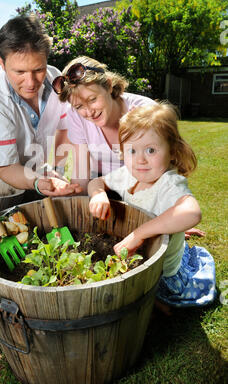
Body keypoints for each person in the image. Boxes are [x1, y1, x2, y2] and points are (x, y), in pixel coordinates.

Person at [88, 102, 216, 313]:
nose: (140, 159)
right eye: (131, 150)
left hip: (161, 272)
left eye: (151, 150)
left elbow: (192, 212)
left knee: (136, 299)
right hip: (141, 254)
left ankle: (162, 302)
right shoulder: (128, 174)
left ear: (173, 151)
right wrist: (98, 194)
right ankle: (176, 230)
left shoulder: (169, 183)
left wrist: (139, 234)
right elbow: (96, 182)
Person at [0, 14, 82, 198]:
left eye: (38, 69)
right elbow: (7, 168)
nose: (31, 82)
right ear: (1, 62)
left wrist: (55, 170)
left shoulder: (55, 80)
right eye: (20, 72)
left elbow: (64, 128)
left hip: (32, 173)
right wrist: (38, 182)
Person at [53, 56, 155, 192]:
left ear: (108, 85)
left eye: (92, 99)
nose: (89, 112)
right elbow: (81, 173)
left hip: (143, 186)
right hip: (101, 186)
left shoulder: (145, 111)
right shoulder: (74, 114)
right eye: (79, 106)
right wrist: (77, 203)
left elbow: (157, 170)